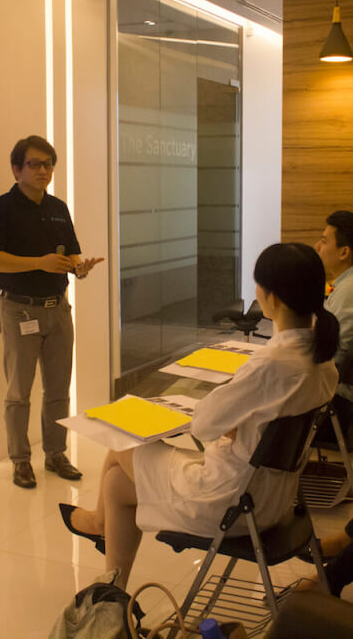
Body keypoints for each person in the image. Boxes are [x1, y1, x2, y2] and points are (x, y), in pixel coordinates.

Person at [59, 243, 339, 590]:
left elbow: (205, 423)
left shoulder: (270, 366)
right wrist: (243, 424)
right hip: (275, 500)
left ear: (274, 299)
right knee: (117, 484)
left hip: (230, 502)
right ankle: (111, 588)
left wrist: (234, 423)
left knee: (121, 443)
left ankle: (100, 528)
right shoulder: (323, 363)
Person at [0, 135, 103, 488]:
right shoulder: (0, 208)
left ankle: (55, 454)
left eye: (48, 164)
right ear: (16, 168)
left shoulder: (58, 207)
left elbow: (71, 253)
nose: (43, 171)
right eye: (35, 164)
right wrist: (40, 263)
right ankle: (20, 460)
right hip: (20, 310)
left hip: (59, 309)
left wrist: (79, 267)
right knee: (19, 392)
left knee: (59, 389)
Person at [314, 210, 353, 440]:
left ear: (344, 252)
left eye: (324, 240)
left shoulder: (348, 291)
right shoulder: (342, 285)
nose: (317, 246)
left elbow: (337, 353)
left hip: (336, 402)